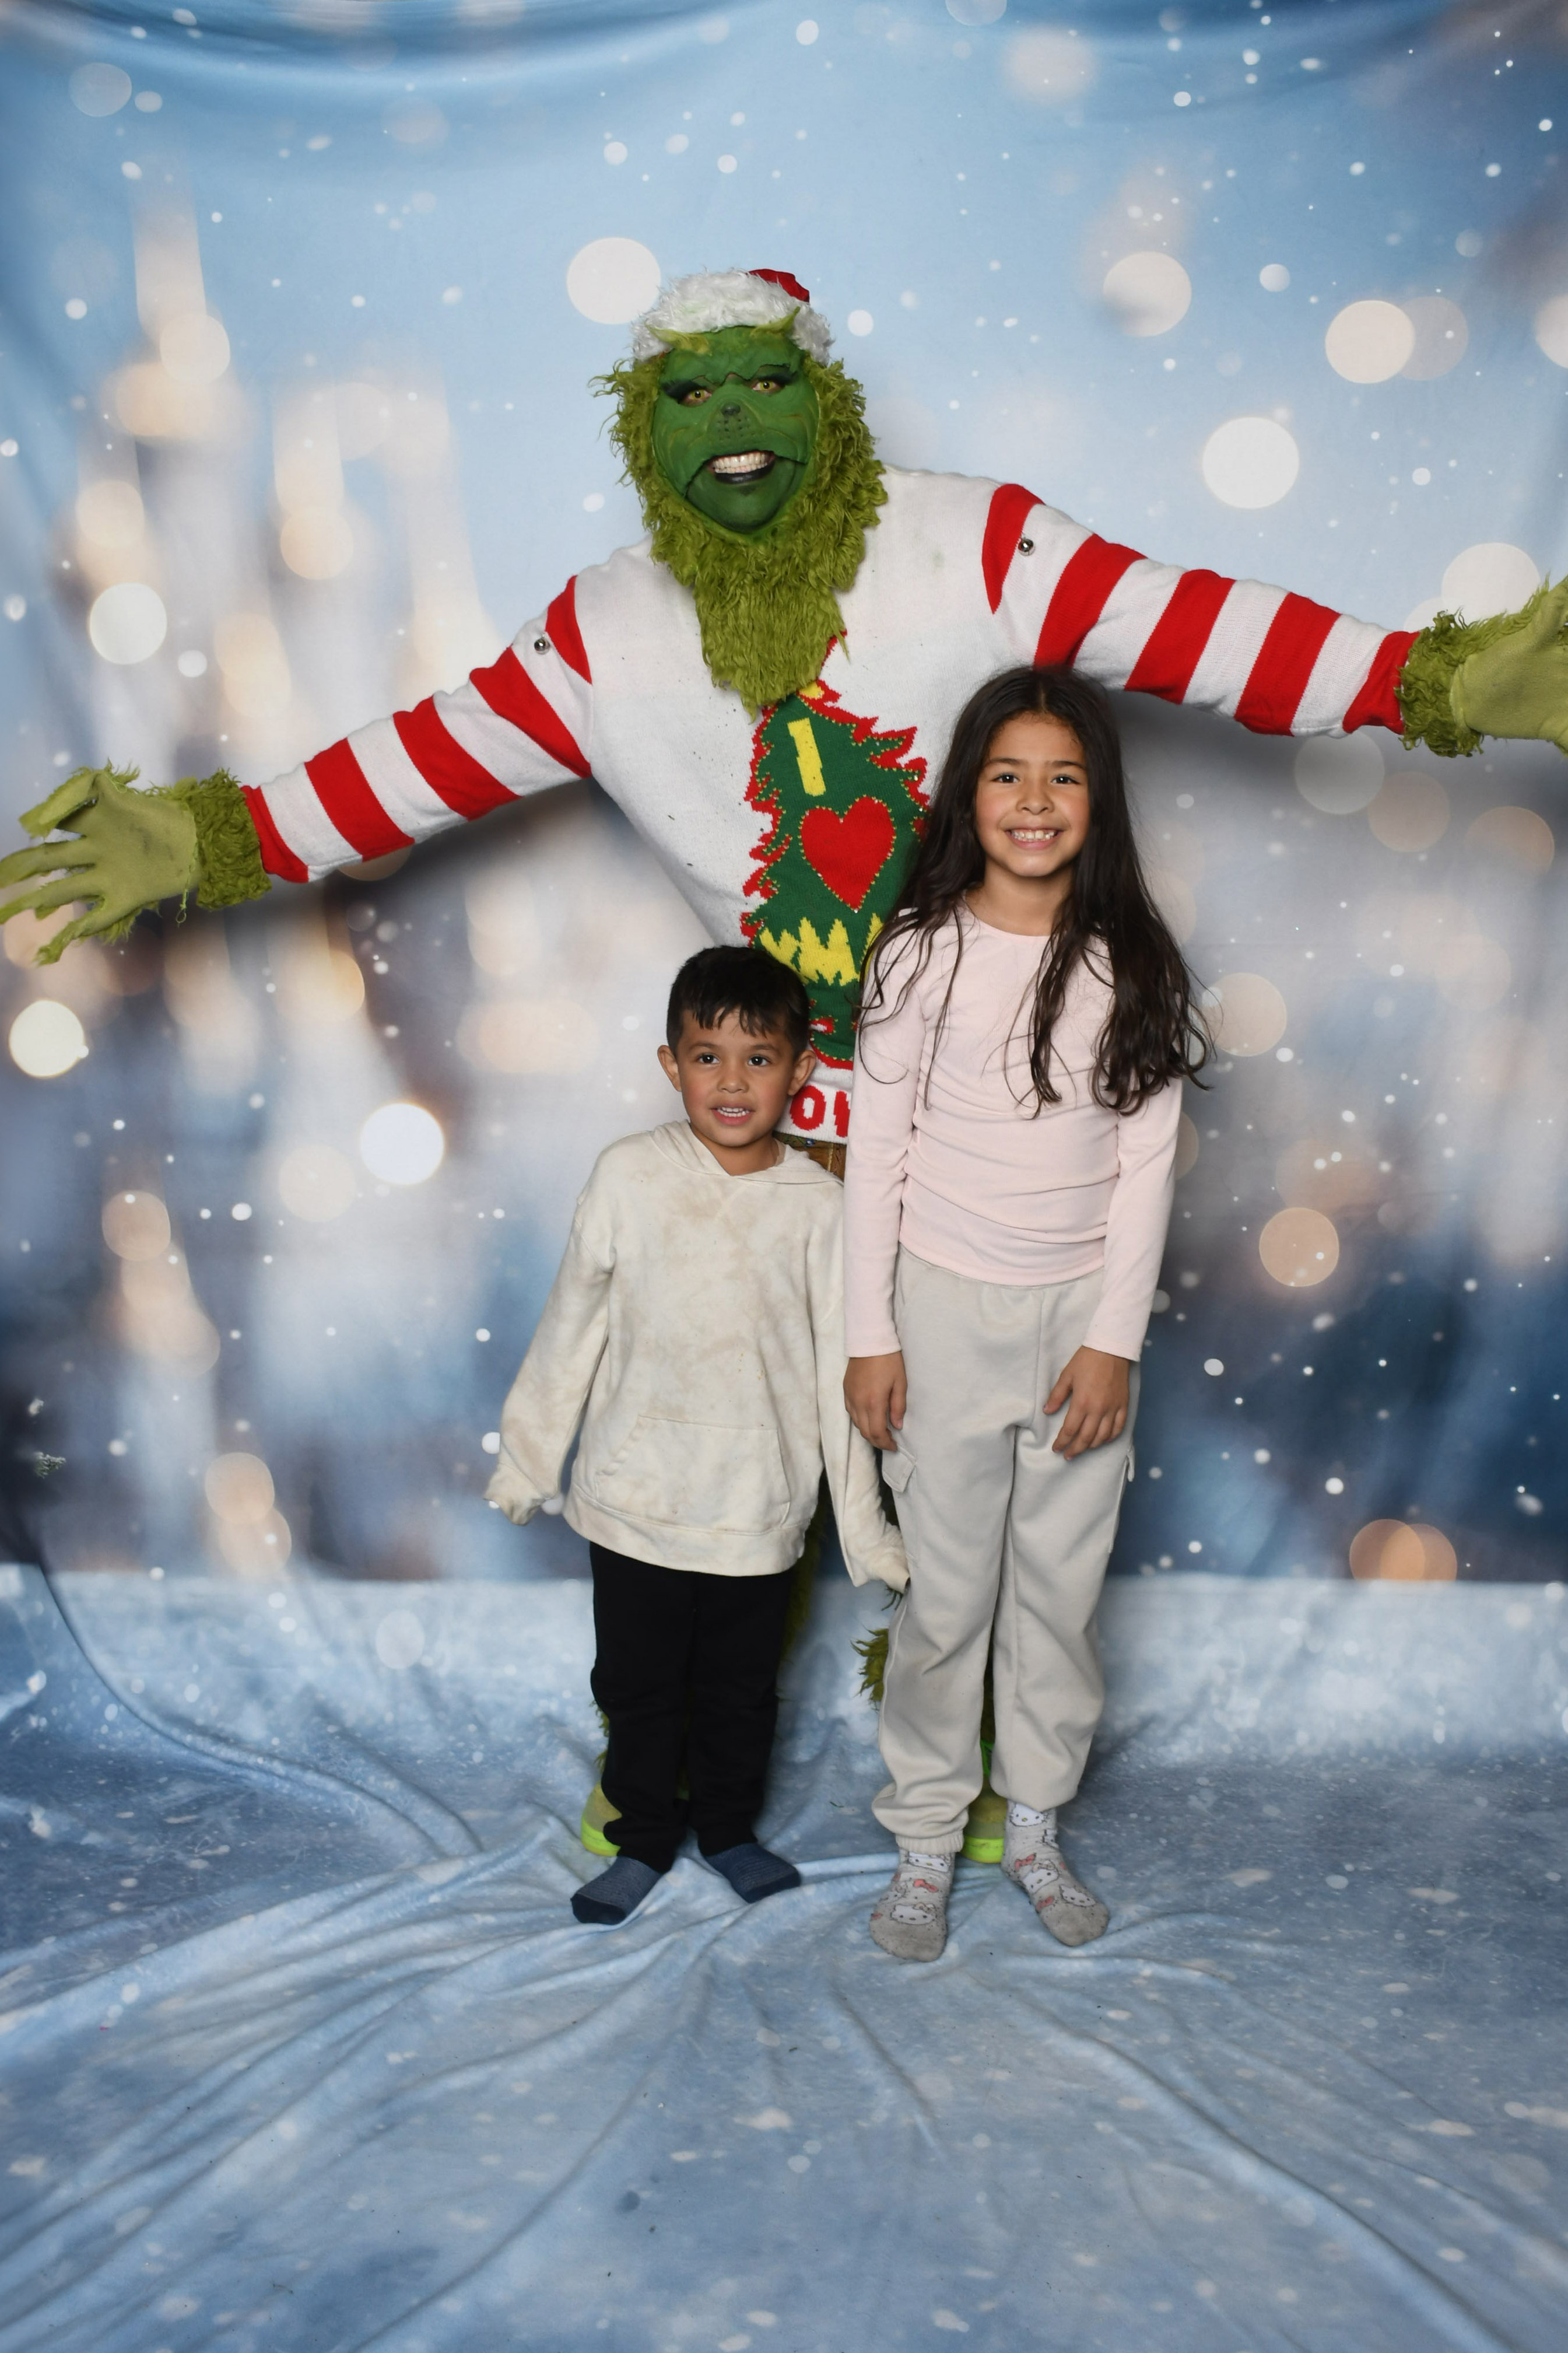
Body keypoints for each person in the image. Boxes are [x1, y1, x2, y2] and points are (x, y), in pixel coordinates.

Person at [4, 266, 1565, 1150]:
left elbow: (1196, 632)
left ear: (827, 409)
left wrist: (1424, 678)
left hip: (1006, 1100)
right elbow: (425, 763)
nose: (732, 422)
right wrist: (210, 837)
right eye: (689, 397)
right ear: (647, 437)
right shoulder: (607, 635)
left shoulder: (977, 545)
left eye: (762, 385)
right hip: (790, 1122)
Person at [842, 665, 1203, 1962]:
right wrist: (870, 1336)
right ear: (968, 794)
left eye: (1063, 776)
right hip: (940, 1310)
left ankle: (1035, 1824)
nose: (1034, 801)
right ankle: (925, 1841)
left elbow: (1145, 1171)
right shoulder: (919, 954)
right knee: (947, 1599)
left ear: (1097, 801)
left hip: (1077, 1330)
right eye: (1008, 774)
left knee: (1056, 1593)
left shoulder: (1130, 964)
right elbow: (874, 1157)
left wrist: (1112, 1341)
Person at [487, 944, 906, 1926]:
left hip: (753, 1508)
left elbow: (837, 1377)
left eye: (758, 1059)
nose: (731, 1081)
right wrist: (527, 1459)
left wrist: (864, 1528)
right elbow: (571, 1324)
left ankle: (725, 1828)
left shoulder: (819, 1208)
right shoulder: (629, 1176)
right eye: (707, 1056)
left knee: (739, 1689)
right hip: (634, 1499)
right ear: (670, 1064)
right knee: (635, 1685)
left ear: (801, 1070)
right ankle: (640, 1838)